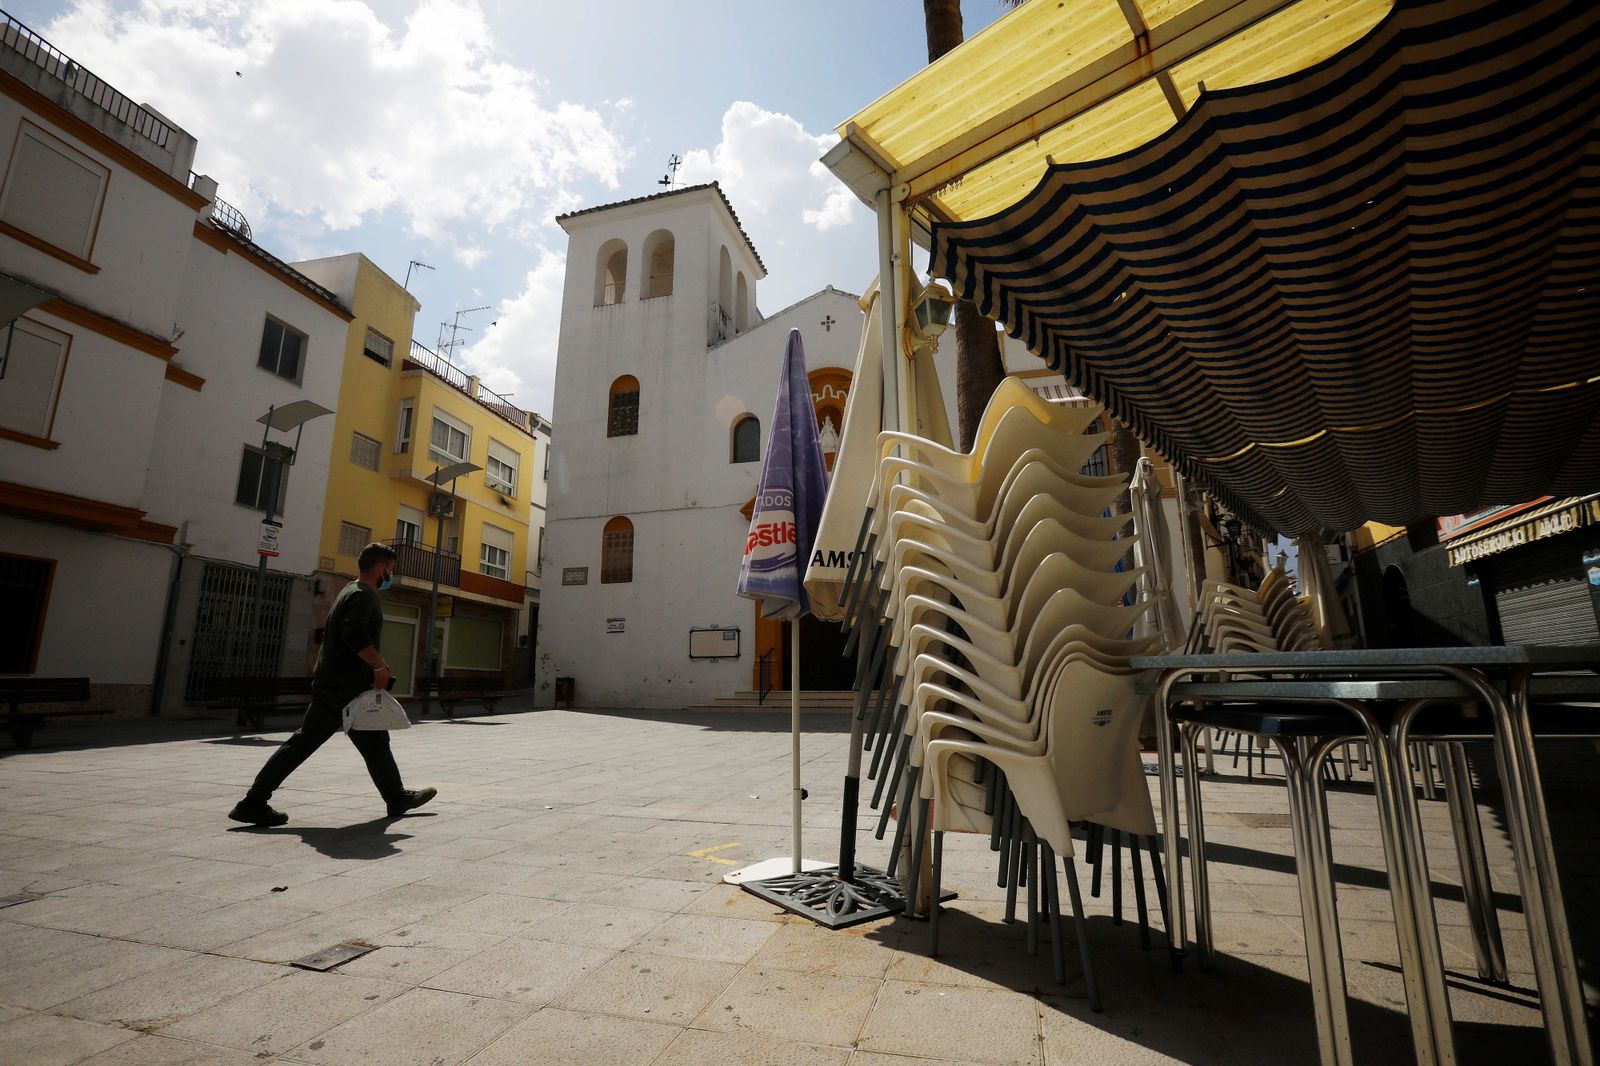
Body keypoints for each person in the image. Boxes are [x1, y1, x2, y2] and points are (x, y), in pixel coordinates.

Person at [229, 542, 435, 827]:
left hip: (334, 684)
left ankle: (253, 801)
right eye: (391, 570)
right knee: (363, 742)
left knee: (339, 742)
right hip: (346, 687)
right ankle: (396, 797)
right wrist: (378, 664)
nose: (391, 576)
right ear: (380, 568)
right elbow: (353, 633)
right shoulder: (363, 596)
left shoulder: (349, 592)